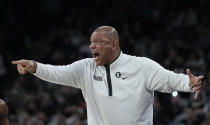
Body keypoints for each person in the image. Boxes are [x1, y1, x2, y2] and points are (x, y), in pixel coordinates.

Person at [12, 26, 203, 125]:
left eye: (98, 42)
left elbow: (170, 79)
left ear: (113, 45)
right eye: (90, 42)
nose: (92, 46)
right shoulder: (86, 68)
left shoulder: (141, 66)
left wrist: (189, 83)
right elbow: (58, 72)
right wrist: (35, 66)